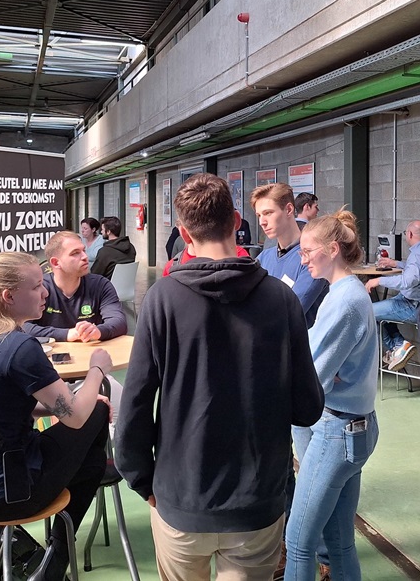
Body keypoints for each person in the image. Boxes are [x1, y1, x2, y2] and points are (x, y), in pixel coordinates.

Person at [115, 173, 324, 581]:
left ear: (183, 233)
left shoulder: (162, 299)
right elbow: (307, 407)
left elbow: (136, 402)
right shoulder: (281, 299)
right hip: (256, 502)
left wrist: (141, 479)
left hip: (181, 497)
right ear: (236, 221)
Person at [0, 251, 114, 581]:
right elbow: (75, 417)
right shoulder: (18, 347)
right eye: (36, 287)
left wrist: (67, 404)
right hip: (6, 494)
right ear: (8, 296)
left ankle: (9, 552)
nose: (45, 292)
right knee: (96, 416)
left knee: (90, 448)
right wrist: (96, 371)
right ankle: (55, 559)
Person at [286, 210, 379, 581]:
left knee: (298, 542)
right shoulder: (342, 292)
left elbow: (312, 374)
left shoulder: (345, 302)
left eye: (308, 252)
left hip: (337, 432)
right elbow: (314, 353)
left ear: (333, 249)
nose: (303, 260)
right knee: (339, 542)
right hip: (353, 428)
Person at [364, 220, 420, 370]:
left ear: (409, 234)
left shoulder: (418, 254)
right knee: (382, 311)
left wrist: (378, 281)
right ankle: (399, 345)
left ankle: (397, 347)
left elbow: (408, 281)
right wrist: (396, 264)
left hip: (415, 307)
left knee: (367, 312)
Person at [23, 231, 127, 342]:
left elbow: (119, 322)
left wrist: (98, 331)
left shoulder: (101, 285)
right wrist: (66, 334)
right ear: (56, 263)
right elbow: (22, 326)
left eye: (84, 250)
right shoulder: (40, 289)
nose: (85, 257)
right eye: (75, 253)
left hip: (90, 350)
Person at [251, 183, 329, 328]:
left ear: (288, 209)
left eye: (268, 213)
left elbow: (290, 312)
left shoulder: (313, 259)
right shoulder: (263, 258)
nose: (262, 222)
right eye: (259, 215)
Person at [90, 216, 136, 280]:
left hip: (107, 285)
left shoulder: (104, 252)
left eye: (102, 229)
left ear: (108, 232)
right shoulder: (131, 247)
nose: (101, 232)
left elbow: (94, 274)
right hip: (126, 285)